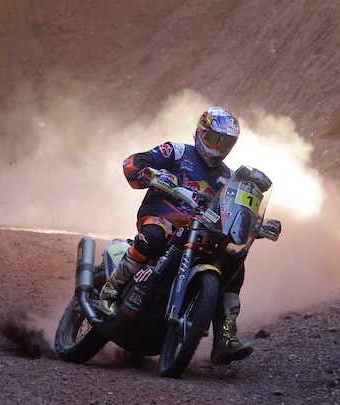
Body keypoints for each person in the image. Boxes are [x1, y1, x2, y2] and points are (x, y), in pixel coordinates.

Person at [99, 106, 271, 365]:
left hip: (199, 232)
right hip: (163, 215)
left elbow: (234, 211)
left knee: (235, 265)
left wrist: (254, 223)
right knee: (154, 236)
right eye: (214, 140)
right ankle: (112, 288)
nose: (219, 147)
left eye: (226, 143)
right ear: (201, 134)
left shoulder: (228, 178)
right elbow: (134, 161)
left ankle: (224, 337)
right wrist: (154, 174)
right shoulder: (177, 152)